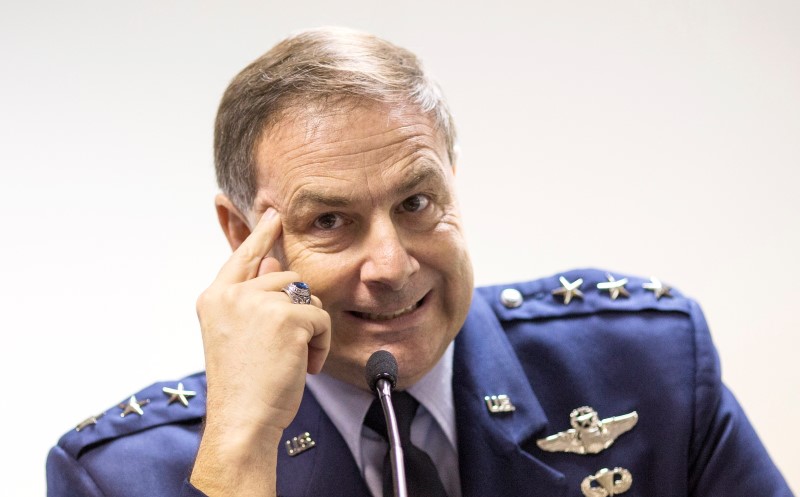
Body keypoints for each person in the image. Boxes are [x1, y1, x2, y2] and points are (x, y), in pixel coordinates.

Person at [46, 27, 794, 497]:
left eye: (415, 202)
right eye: (331, 220)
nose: (391, 263)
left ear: (454, 184)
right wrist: (242, 454)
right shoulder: (120, 475)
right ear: (244, 234)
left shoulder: (647, 361)